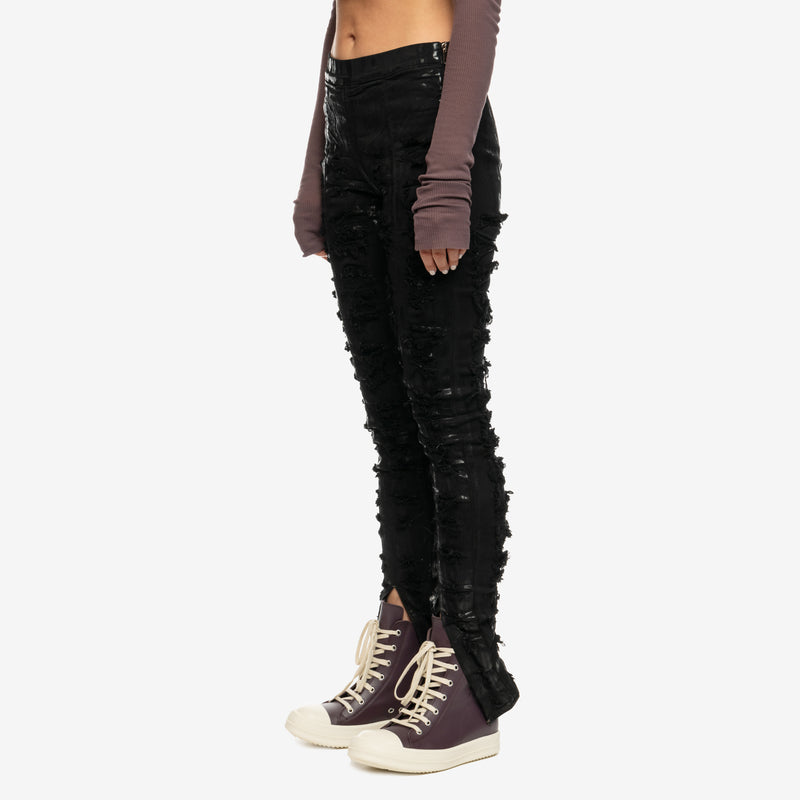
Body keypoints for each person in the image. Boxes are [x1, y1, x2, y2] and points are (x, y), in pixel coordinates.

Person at [285, 0, 519, 773]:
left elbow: (478, 12)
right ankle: (407, 642)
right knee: (394, 426)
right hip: (349, 115)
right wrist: (318, 164)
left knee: (450, 416)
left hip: (429, 111)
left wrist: (447, 175)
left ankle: (468, 679)